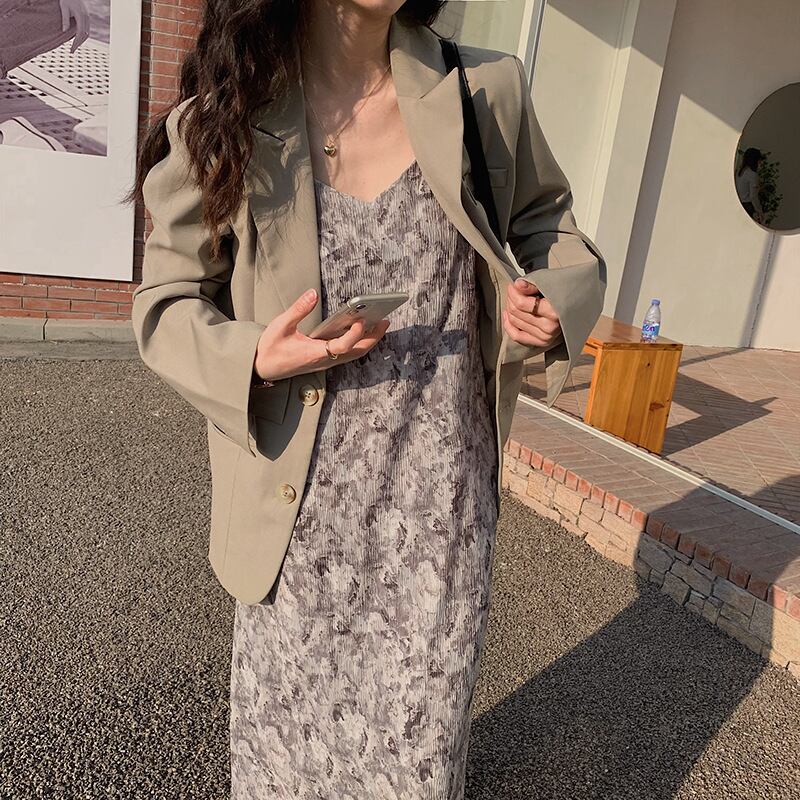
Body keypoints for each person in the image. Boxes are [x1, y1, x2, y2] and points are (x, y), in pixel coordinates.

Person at [127, 1, 606, 797]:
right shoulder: (229, 116)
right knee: (286, 771)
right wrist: (255, 355)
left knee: (415, 770)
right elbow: (165, 302)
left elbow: (549, 226)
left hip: (436, 527)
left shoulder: (482, 92)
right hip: (295, 530)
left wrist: (554, 294)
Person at [735, 147, 765, 223]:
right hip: (748, 206)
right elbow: (753, 196)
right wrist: (759, 211)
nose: (761, 163)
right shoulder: (752, 175)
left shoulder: (739, 171)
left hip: (738, 203)